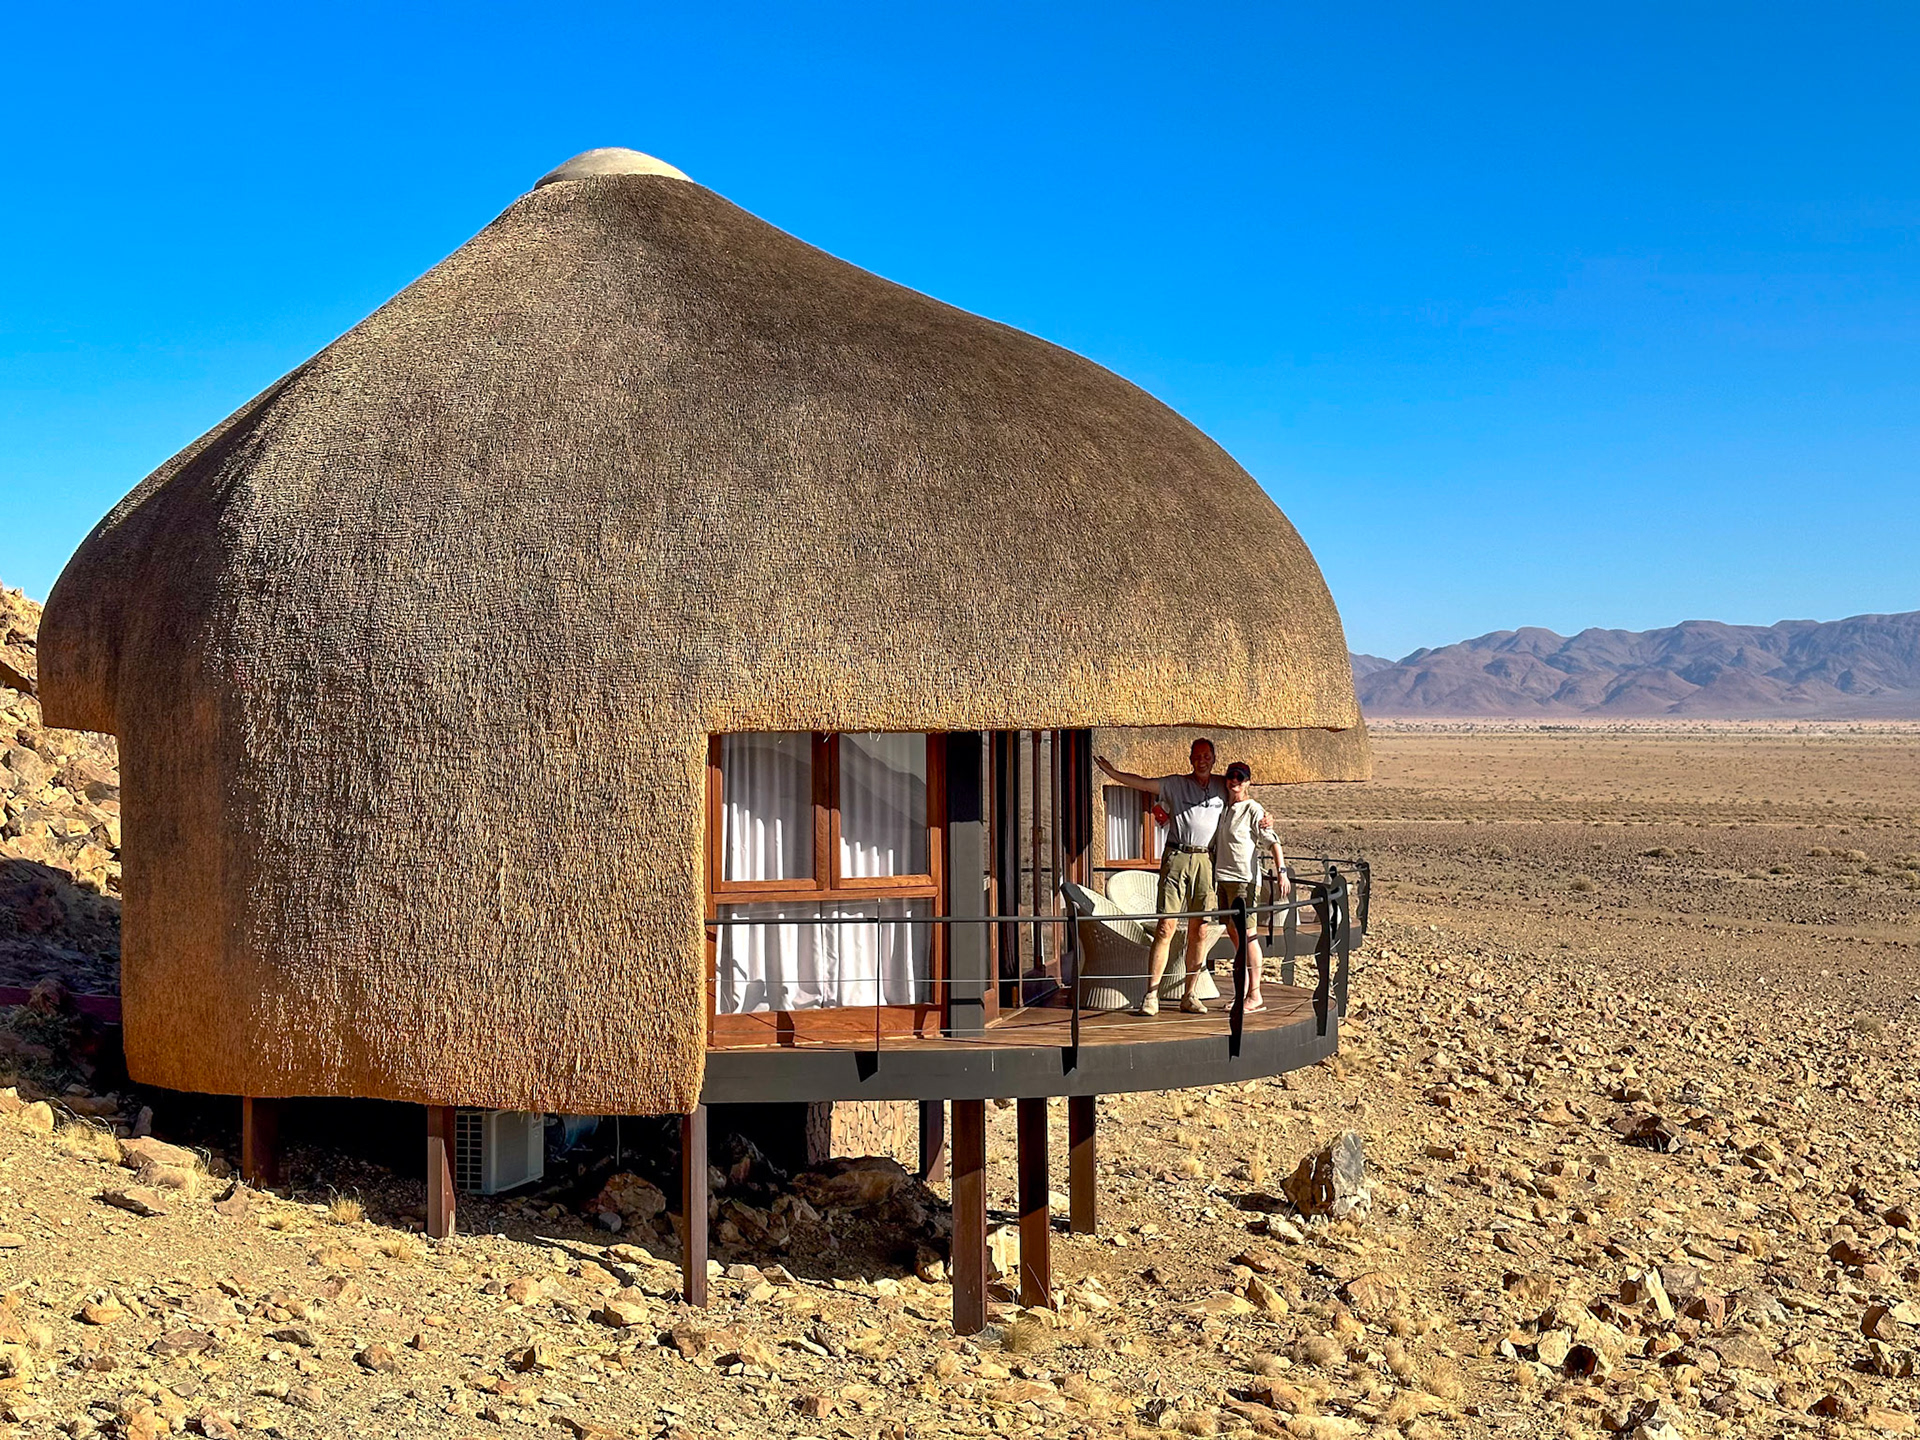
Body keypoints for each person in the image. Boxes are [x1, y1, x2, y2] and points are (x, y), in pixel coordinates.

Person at [1095, 739, 1226, 1015]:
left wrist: (1267, 821)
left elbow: (1244, 798)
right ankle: (1151, 995)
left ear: (1214, 758)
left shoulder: (1221, 786)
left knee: (1200, 930)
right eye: (1197, 756)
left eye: (1206, 756)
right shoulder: (1176, 784)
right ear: (1190, 759)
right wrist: (1113, 774)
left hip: (1205, 860)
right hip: (1177, 856)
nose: (1201, 760)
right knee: (1166, 926)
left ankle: (1189, 995)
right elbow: (1142, 784)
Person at [1212, 761, 1286, 1012]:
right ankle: (1243, 991)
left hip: (1244, 880)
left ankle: (1255, 994)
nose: (1236, 782)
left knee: (1248, 935)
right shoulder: (1223, 806)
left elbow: (1272, 841)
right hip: (1223, 879)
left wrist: (1281, 872)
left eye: (1241, 778)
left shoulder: (1253, 809)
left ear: (1248, 782)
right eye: (1232, 777)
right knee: (1235, 935)